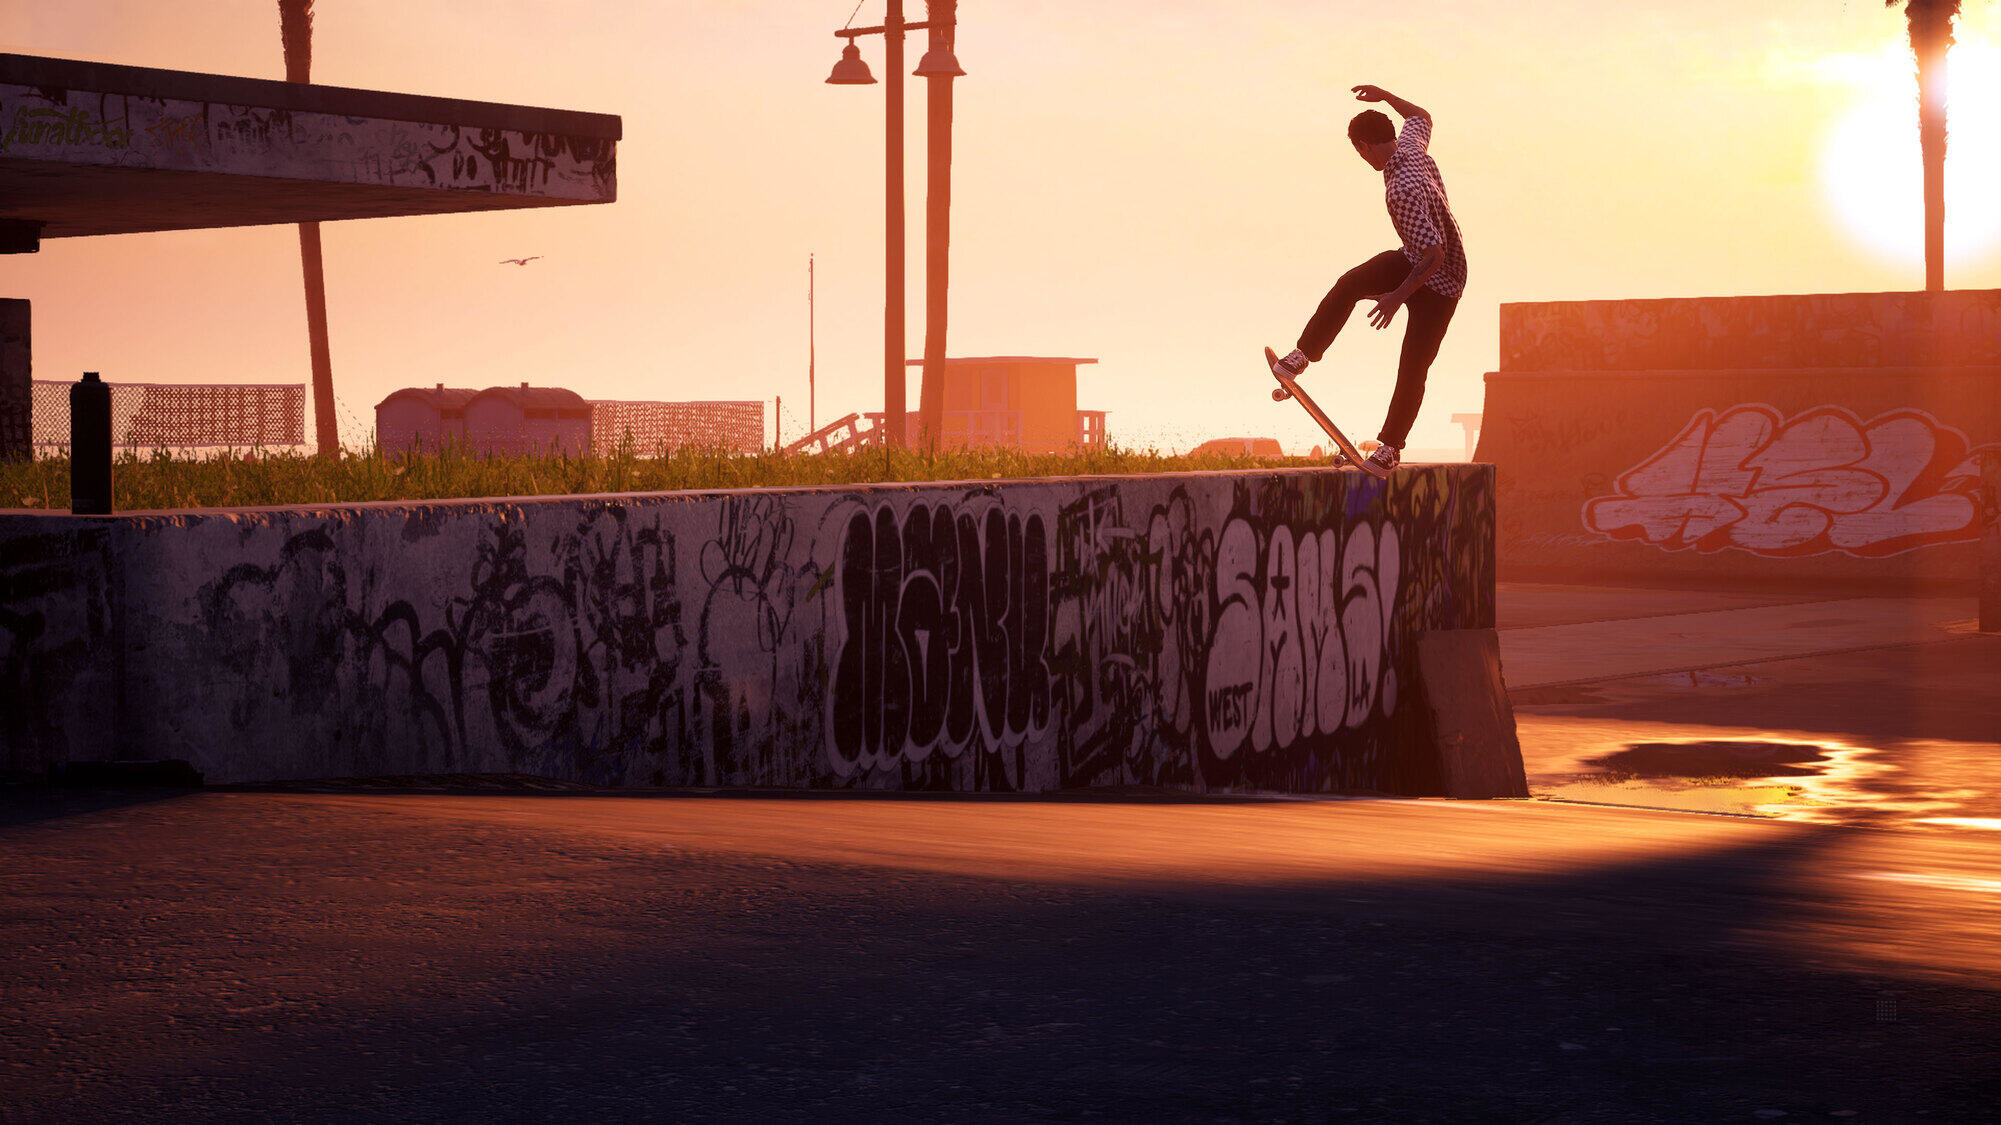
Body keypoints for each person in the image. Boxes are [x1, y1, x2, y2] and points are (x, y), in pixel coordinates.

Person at [1269, 84, 1467, 474]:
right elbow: (1422, 117)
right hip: (1415, 258)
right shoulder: (1411, 147)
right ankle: (1302, 355)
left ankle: (1391, 447)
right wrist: (1386, 95)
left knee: (1414, 363)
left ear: (1364, 146)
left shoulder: (1401, 190)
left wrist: (1396, 297)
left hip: (1441, 283)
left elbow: (1434, 255)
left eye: (1358, 151)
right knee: (1351, 283)